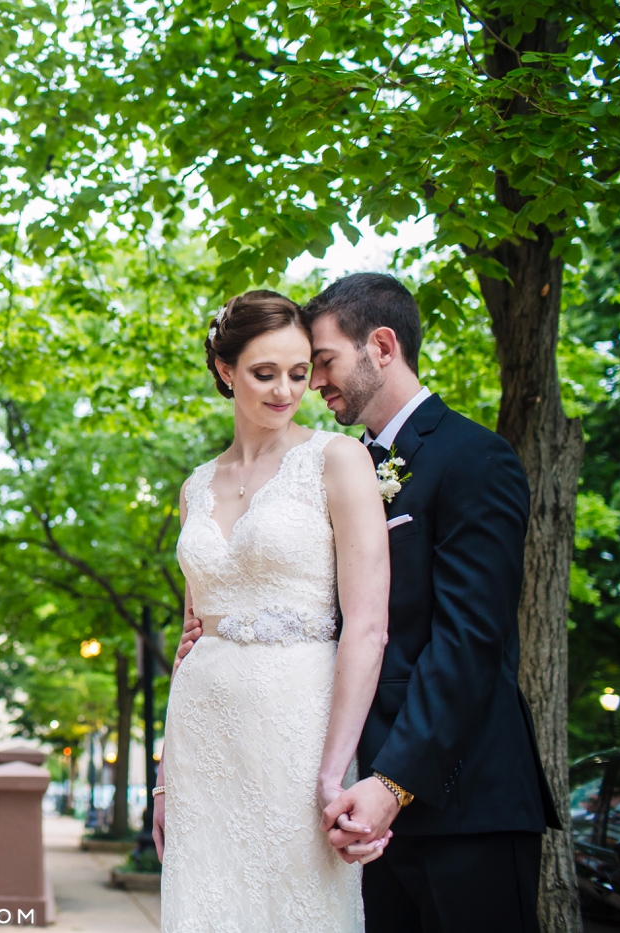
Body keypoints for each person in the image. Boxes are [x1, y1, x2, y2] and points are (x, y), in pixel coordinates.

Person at [307, 273, 560, 933]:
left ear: (382, 346)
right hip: (364, 813)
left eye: (325, 360)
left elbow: (470, 641)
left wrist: (392, 782)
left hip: (463, 804)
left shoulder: (476, 458)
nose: (314, 382)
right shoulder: (338, 473)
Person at [153, 290, 391, 933]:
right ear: (226, 371)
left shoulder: (338, 460)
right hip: (203, 734)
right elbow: (190, 636)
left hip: (299, 725)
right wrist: (164, 780)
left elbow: (367, 628)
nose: (287, 390)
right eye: (264, 374)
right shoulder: (195, 486)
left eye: (298, 371)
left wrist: (334, 768)